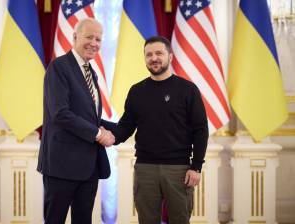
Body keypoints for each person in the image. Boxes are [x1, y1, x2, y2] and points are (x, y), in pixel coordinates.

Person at [112, 36, 209, 224]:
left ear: (170, 57)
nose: (154, 58)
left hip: (179, 170)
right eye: (149, 54)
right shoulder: (136, 91)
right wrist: (98, 127)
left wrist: (196, 166)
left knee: (180, 220)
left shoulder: (188, 90)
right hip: (145, 168)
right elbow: (124, 128)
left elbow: (200, 130)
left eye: (159, 53)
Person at [37, 18, 115, 224]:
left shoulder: (91, 73)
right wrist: (99, 134)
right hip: (61, 166)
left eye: (98, 39)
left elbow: (90, 118)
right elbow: (61, 114)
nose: (94, 43)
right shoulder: (58, 67)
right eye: (89, 37)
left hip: (88, 167)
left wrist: (126, 126)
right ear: (75, 37)